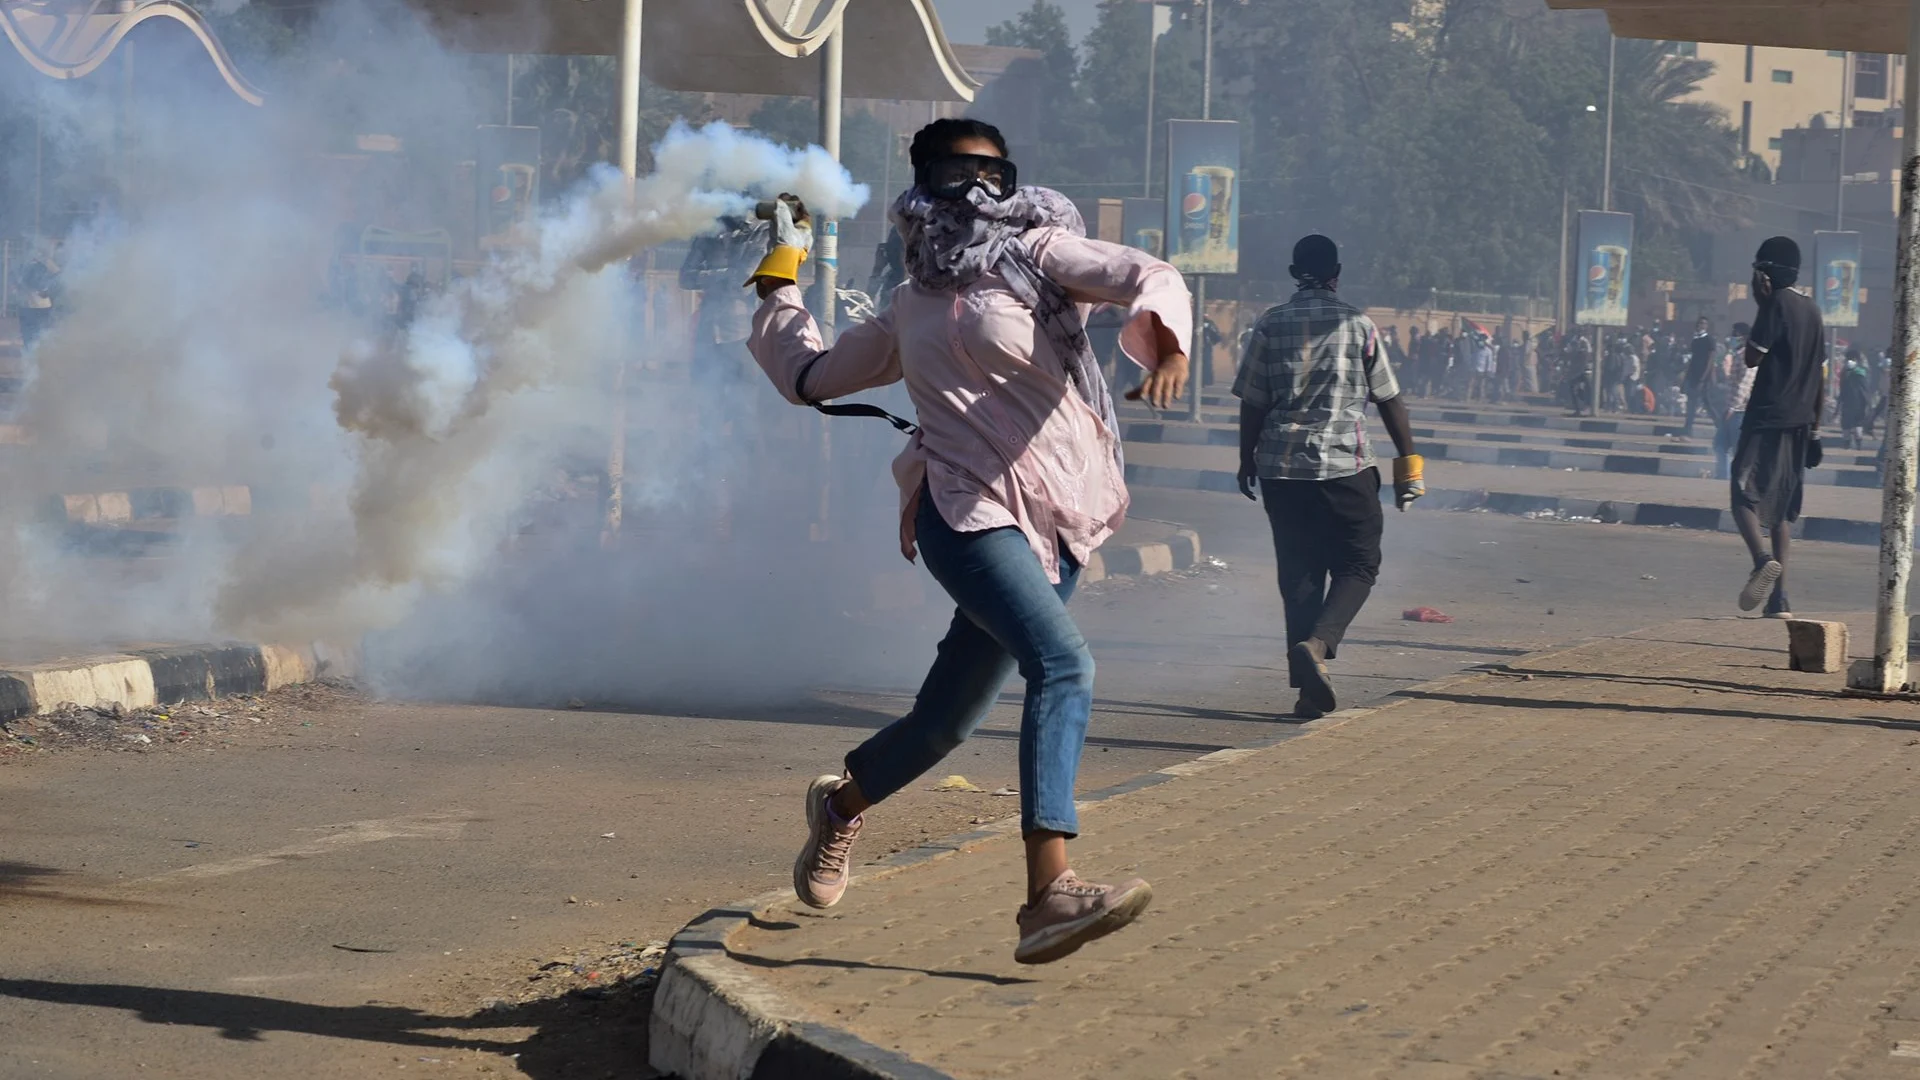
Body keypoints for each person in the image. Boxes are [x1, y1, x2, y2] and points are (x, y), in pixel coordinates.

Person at [746, 118, 1190, 964]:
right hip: (962, 511)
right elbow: (808, 376)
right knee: (1063, 665)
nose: (977, 190)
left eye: (994, 172)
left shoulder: (1042, 256)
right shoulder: (910, 302)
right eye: (958, 170)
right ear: (923, 180)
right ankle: (1048, 894)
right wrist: (782, 269)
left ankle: (840, 807)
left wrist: (1163, 338)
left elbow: (1144, 273)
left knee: (947, 723)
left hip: (1054, 521)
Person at [1234, 234, 1423, 721]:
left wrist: (1245, 460)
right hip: (1346, 467)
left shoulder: (1270, 324)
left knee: (1299, 577)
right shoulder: (1358, 324)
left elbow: (1253, 401)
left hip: (1281, 469)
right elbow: (1389, 399)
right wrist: (1409, 468)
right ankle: (1317, 647)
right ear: (1336, 271)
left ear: (1294, 271)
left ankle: (1306, 691)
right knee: (1359, 564)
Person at [1731, 236, 1826, 620]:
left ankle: (1760, 561)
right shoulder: (1814, 311)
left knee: (1742, 494)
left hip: (1768, 416)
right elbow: (1821, 380)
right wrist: (1817, 432)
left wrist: (1762, 304)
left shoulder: (1776, 305)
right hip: (1802, 423)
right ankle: (1779, 600)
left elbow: (1752, 357)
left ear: (1765, 273)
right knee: (1783, 510)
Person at [17, 239, 61, 351]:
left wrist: (48, 290)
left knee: (40, 331)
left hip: (40, 305)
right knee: (30, 333)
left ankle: (38, 352)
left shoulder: (45, 262)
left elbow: (57, 275)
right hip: (29, 304)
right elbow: (17, 281)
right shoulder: (24, 263)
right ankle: (31, 353)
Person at [1682, 316, 1715, 436]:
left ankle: (1719, 426)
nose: (1701, 325)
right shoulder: (1695, 340)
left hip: (1702, 378)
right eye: (1699, 323)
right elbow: (1692, 360)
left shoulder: (1709, 340)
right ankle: (1687, 429)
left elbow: (1710, 360)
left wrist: (1703, 378)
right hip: (1692, 376)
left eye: (1704, 323)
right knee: (1691, 403)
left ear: (1707, 326)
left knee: (1708, 404)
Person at [1839, 346, 1872, 449]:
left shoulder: (1851, 372)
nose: (1849, 361)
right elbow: (1864, 389)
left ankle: (1851, 442)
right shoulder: (1858, 372)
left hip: (1853, 402)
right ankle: (1852, 442)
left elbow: (1864, 390)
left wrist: (1867, 403)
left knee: (1851, 423)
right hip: (1854, 402)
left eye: (1851, 359)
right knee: (1852, 423)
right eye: (1849, 359)